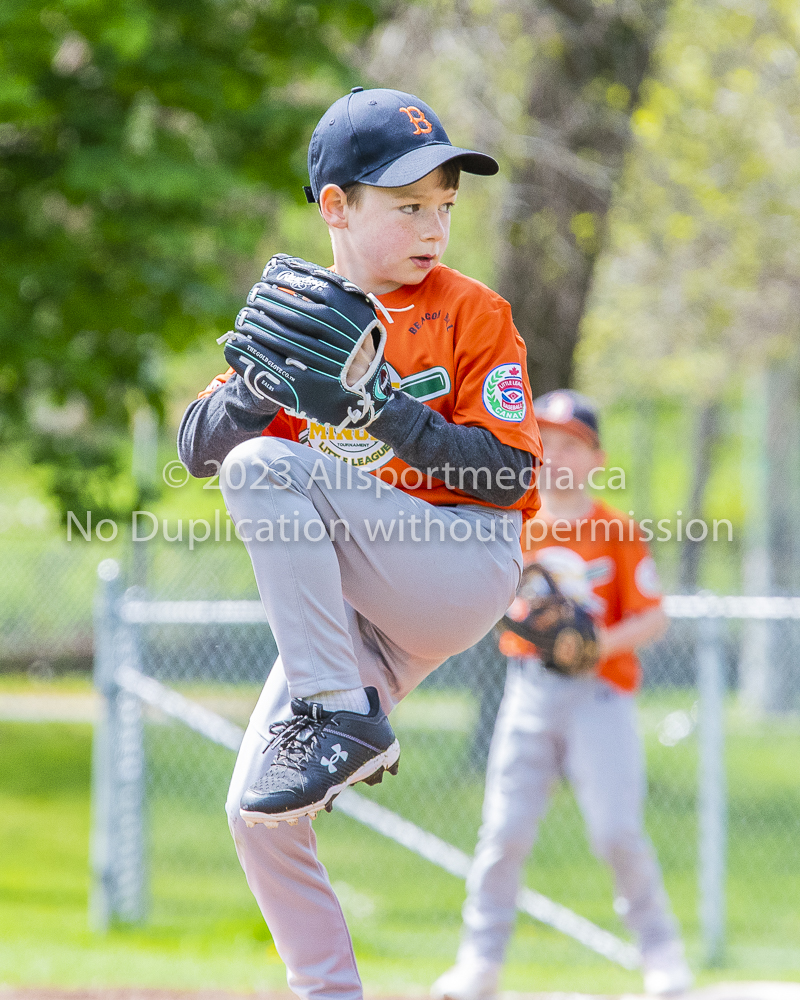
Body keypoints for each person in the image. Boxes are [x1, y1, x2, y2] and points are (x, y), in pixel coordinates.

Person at [177, 87, 542, 999]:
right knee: (259, 811)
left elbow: (511, 476)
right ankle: (328, 992)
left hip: (460, 564)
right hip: (356, 614)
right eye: (408, 205)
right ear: (335, 206)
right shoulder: (307, 310)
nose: (435, 227)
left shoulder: (472, 313)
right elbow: (195, 445)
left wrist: (379, 410)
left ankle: (340, 715)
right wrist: (254, 391)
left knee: (265, 469)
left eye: (445, 207)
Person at [431, 390, 693, 1000]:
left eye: (571, 445)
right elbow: (489, 601)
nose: (555, 457)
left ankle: (661, 953)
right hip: (529, 695)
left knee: (617, 833)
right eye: (545, 444)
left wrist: (596, 644)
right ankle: (480, 964)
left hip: (600, 697)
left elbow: (653, 619)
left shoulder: (615, 531)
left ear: (597, 458)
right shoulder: (513, 524)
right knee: (503, 833)